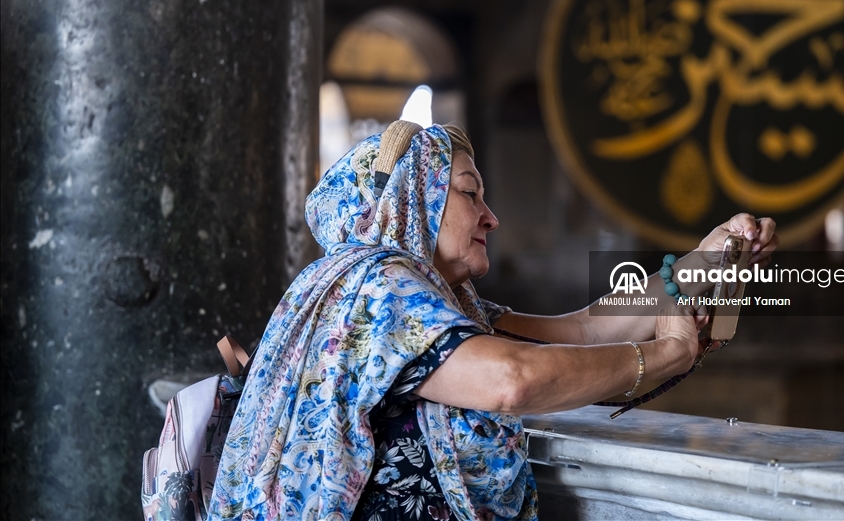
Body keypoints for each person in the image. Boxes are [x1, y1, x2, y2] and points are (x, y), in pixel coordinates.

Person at [208, 122, 777, 521]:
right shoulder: (375, 287)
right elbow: (513, 381)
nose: (491, 216)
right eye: (469, 194)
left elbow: (584, 330)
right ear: (414, 198)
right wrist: (668, 354)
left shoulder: (446, 304)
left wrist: (699, 263)